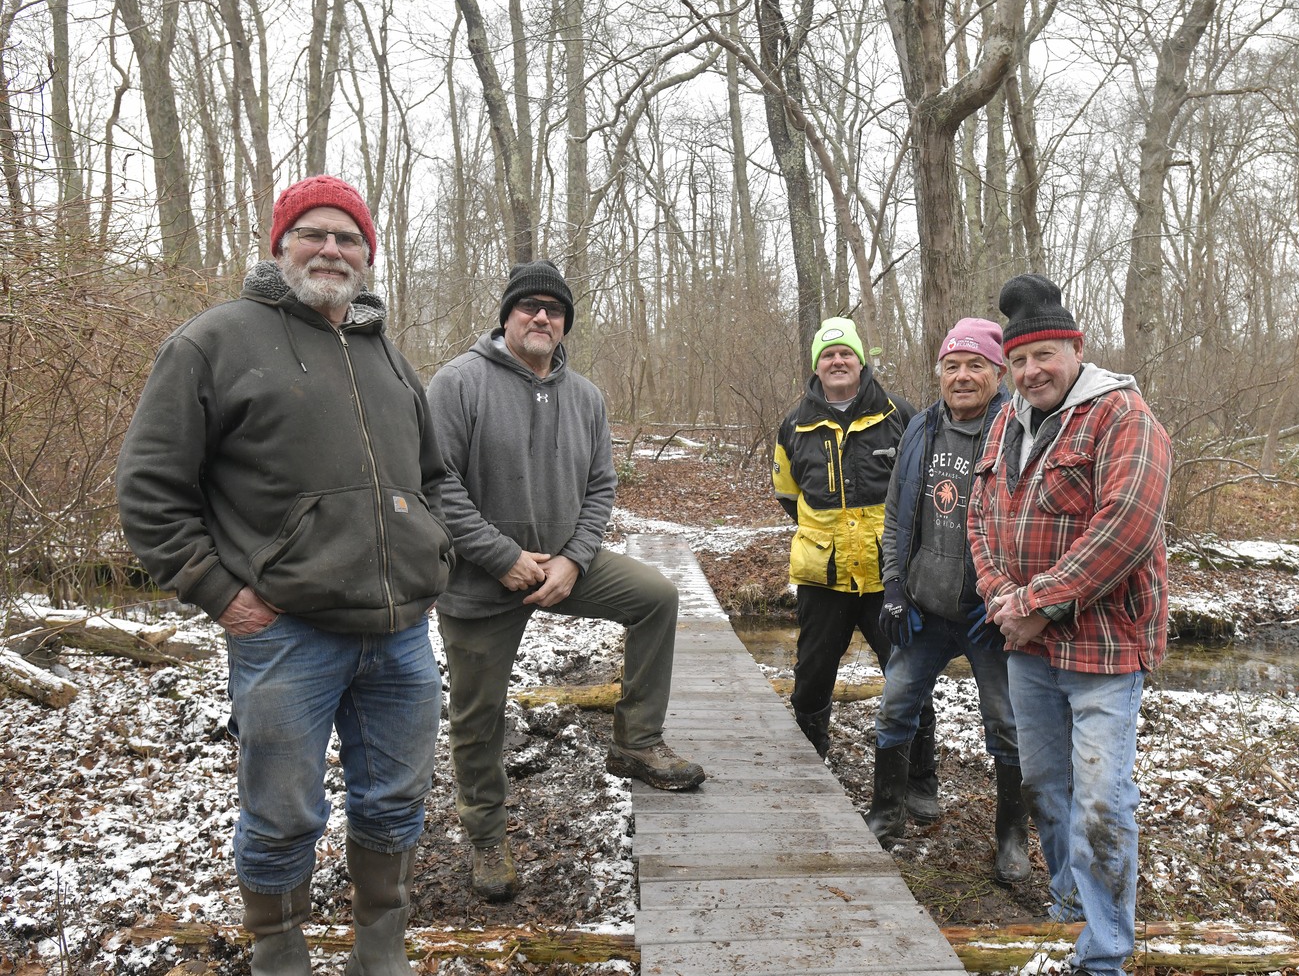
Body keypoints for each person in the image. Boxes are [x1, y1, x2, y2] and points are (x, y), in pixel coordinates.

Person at [116, 175, 452, 976]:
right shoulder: (215, 341)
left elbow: (432, 476)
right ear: (280, 246)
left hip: (400, 634)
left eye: (348, 238)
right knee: (279, 813)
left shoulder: (385, 353)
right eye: (314, 234)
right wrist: (215, 589)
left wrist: (431, 549)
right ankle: (278, 951)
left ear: (368, 255)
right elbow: (150, 486)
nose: (332, 250)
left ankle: (381, 947)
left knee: (397, 801)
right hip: (287, 635)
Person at [426, 259, 706, 903]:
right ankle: (486, 837)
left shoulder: (585, 396)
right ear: (507, 316)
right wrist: (500, 556)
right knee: (478, 714)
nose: (542, 316)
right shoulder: (458, 383)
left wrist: (575, 559)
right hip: (479, 578)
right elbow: (436, 484)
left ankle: (637, 741)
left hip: (564, 565)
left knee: (656, 598)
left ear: (565, 323)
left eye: (554, 308)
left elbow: (601, 486)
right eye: (529, 306)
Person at [968, 274, 1172, 976]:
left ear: (1074, 349)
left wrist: (1035, 605)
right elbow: (979, 518)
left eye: (1043, 356)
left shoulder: (1124, 416)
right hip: (1027, 652)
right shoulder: (1006, 420)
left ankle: (1104, 954)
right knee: (1045, 791)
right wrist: (1002, 598)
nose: (1031, 372)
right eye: (1019, 362)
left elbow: (1127, 529)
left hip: (1104, 650)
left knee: (1101, 804)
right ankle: (1067, 909)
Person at [865, 318, 1030, 885]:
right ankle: (886, 813)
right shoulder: (920, 429)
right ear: (939, 372)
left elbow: (1034, 525)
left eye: (976, 365)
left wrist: (1009, 602)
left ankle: (1012, 836)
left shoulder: (1018, 430)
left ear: (997, 372)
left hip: (991, 619)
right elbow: (895, 515)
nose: (962, 377)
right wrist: (892, 589)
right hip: (924, 614)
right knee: (894, 707)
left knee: (1006, 725)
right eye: (952, 366)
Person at [772, 318, 935, 800]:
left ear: (861, 361)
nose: (838, 361)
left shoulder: (899, 414)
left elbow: (923, 489)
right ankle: (810, 763)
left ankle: (920, 781)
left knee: (908, 677)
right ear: (816, 366)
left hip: (891, 577)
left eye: (846, 353)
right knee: (811, 677)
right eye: (828, 355)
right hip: (824, 577)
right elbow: (787, 493)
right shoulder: (794, 423)